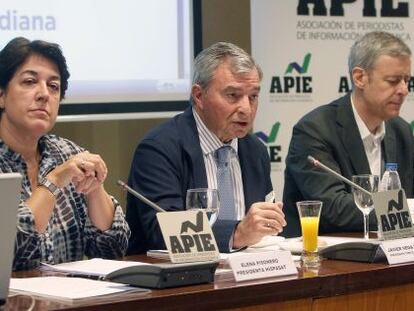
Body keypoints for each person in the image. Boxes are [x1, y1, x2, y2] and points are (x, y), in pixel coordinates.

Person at [126, 42, 286, 254]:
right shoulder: (159, 149)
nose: (246, 109)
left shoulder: (255, 151)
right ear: (199, 96)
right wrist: (236, 234)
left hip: (246, 274)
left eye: (253, 96)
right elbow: (161, 231)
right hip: (178, 282)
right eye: (233, 95)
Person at [0, 37, 130, 270]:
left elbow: (114, 249)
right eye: (30, 81)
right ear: (1, 94)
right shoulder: (63, 169)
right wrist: (54, 182)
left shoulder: (68, 154)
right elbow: (10, 251)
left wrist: (95, 189)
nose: (44, 94)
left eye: (54, 86)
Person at [283, 31, 413, 238]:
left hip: (391, 256)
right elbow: (333, 208)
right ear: (360, 78)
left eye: (407, 80)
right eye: (393, 81)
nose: (404, 90)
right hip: (324, 260)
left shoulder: (401, 130)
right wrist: (406, 211)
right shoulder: (314, 130)